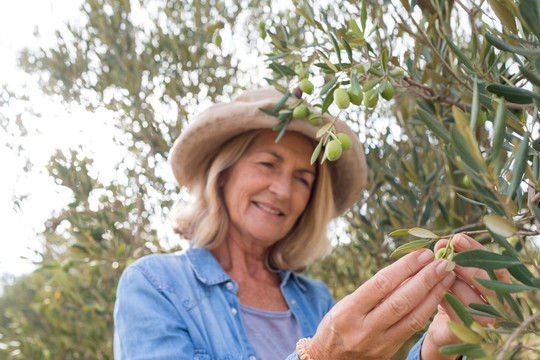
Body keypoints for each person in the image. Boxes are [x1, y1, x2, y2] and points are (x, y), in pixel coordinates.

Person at [113, 88, 508, 359]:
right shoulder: (155, 285)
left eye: (303, 179)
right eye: (268, 164)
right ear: (224, 174)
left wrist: (440, 343)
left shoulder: (315, 299)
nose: (283, 191)